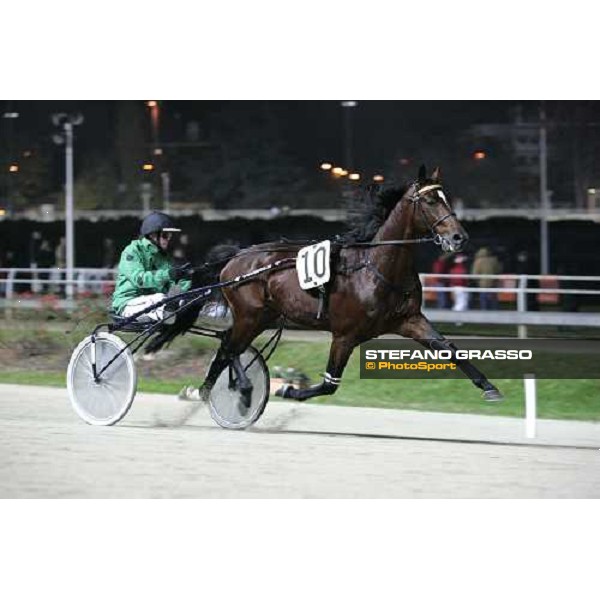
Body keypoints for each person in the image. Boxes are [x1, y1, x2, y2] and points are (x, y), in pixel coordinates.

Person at [111, 212, 193, 322]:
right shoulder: (132, 251)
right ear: (153, 235)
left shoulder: (164, 257)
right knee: (161, 298)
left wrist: (184, 280)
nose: (168, 239)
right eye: (165, 235)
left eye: (170, 235)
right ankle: (167, 316)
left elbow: (172, 287)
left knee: (185, 300)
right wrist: (168, 274)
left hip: (152, 303)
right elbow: (139, 279)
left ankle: (168, 315)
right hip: (129, 303)